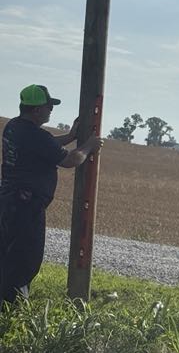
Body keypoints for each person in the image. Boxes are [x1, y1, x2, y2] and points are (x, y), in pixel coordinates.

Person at [0, 84, 103, 305]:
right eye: (49, 106)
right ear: (37, 110)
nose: (51, 110)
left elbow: (45, 145)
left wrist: (71, 136)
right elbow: (70, 160)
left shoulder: (14, 127)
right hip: (26, 206)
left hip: (8, 202)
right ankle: (12, 305)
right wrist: (89, 146)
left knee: (7, 254)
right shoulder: (34, 135)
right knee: (26, 258)